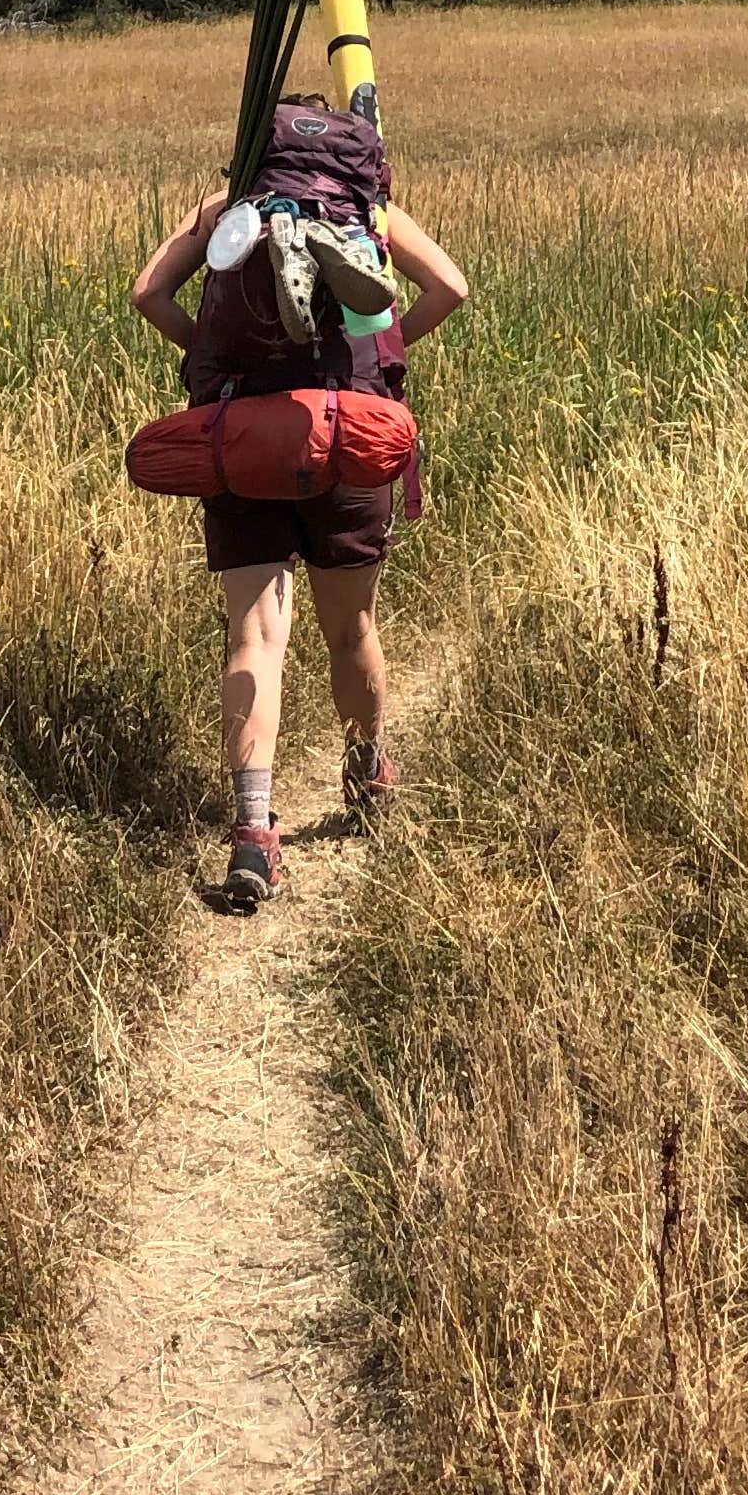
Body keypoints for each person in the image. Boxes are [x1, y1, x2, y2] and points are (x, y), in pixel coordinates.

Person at [130, 122, 469, 910]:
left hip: (241, 436)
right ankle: (367, 772)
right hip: (348, 429)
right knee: (350, 628)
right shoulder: (370, 209)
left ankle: (253, 834)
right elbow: (450, 287)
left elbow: (147, 294)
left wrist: (205, 360)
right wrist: (386, 356)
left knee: (254, 636)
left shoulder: (222, 208)